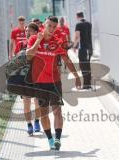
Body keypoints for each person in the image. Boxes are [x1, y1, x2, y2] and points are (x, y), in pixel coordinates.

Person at [26, 16, 81, 150]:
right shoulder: (34, 39)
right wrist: (38, 40)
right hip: (39, 83)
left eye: (53, 27)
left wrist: (76, 76)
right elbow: (29, 55)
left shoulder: (57, 42)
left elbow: (66, 59)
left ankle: (57, 139)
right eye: (49, 25)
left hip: (54, 82)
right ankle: (50, 139)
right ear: (44, 24)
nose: (51, 29)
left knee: (57, 111)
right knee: (44, 114)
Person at [23, 23, 41, 135]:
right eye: (25, 31)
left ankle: (37, 121)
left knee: (37, 101)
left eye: (29, 31)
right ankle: (29, 124)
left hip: (38, 77)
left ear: (35, 32)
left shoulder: (40, 43)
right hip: (25, 78)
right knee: (26, 101)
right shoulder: (21, 44)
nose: (27, 33)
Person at [73, 12, 93, 89]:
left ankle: (86, 85)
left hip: (83, 49)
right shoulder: (89, 24)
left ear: (77, 16)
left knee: (83, 66)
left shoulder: (78, 24)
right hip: (90, 48)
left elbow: (77, 37)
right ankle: (88, 83)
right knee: (87, 66)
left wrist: (74, 46)